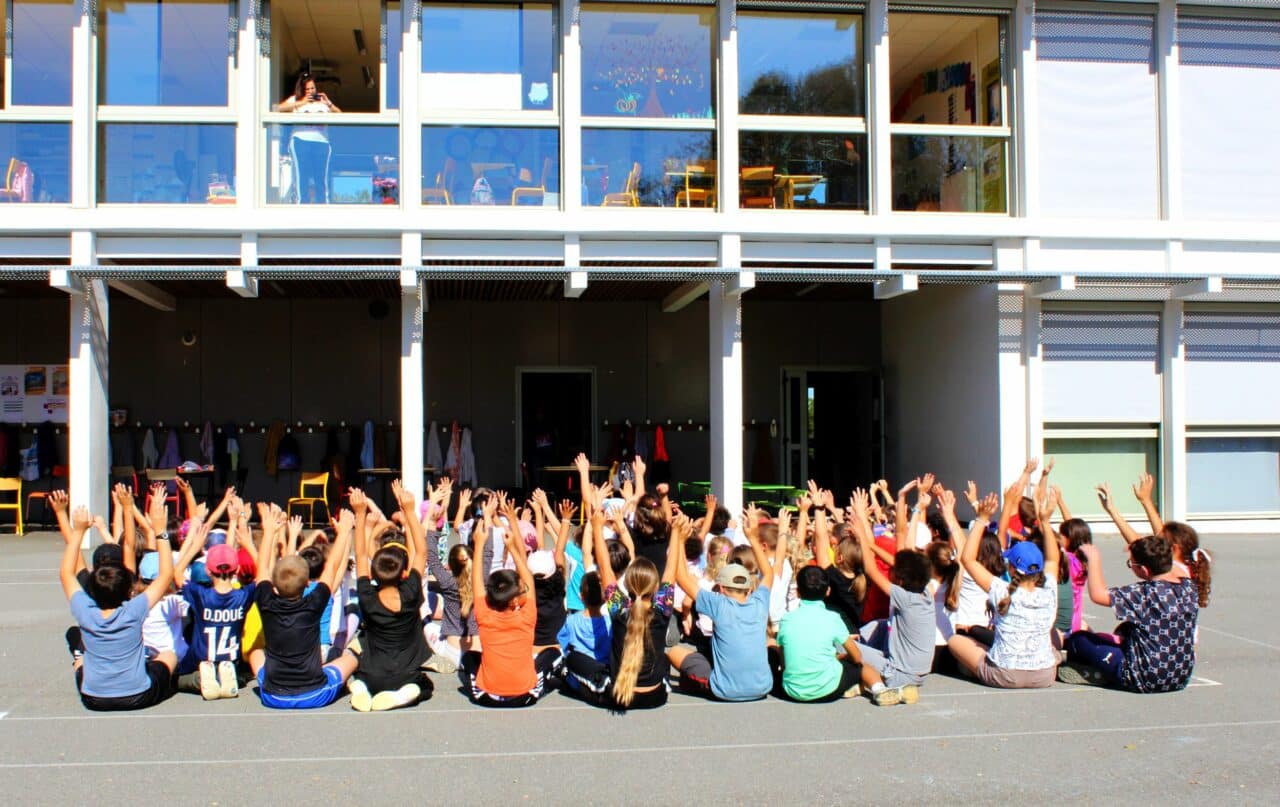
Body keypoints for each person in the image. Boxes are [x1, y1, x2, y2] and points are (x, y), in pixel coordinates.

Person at [60, 496, 188, 711]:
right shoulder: (134, 608)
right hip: (138, 694)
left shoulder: (84, 609)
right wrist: (160, 530)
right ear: (129, 590)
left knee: (80, 660)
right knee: (168, 655)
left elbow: (66, 573)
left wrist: (79, 532)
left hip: (93, 698)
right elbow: (166, 575)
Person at [946, 476, 1060, 690]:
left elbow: (968, 559)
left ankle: (970, 669)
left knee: (955, 641)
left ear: (1013, 568)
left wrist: (981, 519)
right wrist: (1045, 521)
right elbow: (1054, 559)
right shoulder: (1049, 589)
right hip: (1045, 674)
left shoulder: (1001, 589)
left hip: (1005, 674)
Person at [247, 504, 358, 709]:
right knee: (351, 659)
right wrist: (344, 532)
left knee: (255, 653)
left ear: (274, 586)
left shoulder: (265, 601)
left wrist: (269, 531)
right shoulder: (314, 603)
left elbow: (261, 568)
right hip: (314, 693)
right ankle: (349, 683)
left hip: (273, 695)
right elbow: (331, 567)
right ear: (308, 583)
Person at [1060, 535, 1198, 693]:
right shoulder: (1189, 587)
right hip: (1181, 677)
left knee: (1079, 640)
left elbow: (1098, 595)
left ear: (1144, 570)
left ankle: (1098, 672)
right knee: (1126, 628)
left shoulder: (1143, 593)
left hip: (1142, 677)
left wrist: (1094, 559)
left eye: (1131, 564)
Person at [667, 506, 774, 703]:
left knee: (673, 651)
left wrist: (679, 540)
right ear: (750, 588)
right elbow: (768, 573)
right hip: (762, 687)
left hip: (725, 690)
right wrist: (752, 537)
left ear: (722, 589)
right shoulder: (759, 602)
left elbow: (679, 578)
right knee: (771, 644)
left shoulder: (718, 604)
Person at [460, 495, 555, 707]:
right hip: (525, 695)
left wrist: (479, 545)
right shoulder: (527, 615)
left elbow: (476, 582)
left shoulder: (484, 613)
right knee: (553, 655)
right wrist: (512, 546)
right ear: (514, 601)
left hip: (487, 696)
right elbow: (528, 580)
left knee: (468, 657)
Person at [347, 484, 433, 712]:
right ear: (404, 573)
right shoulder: (412, 591)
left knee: (357, 677)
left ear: (373, 573)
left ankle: (360, 688)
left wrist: (359, 515)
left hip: (371, 673)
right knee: (425, 686)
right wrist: (410, 511)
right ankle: (406, 694)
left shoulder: (367, 595)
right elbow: (421, 552)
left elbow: (362, 554)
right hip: (406, 673)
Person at [848, 486, 936, 706]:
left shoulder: (903, 598)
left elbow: (871, 570)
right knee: (880, 624)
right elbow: (900, 545)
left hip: (898, 672)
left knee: (841, 644)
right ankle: (892, 683)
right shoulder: (926, 592)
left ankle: (877, 685)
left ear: (901, 581)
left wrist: (861, 537)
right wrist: (870, 543)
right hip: (919, 672)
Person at [775, 565, 864, 702]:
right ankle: (871, 687)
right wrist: (842, 657)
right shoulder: (833, 618)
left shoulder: (787, 619)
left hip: (792, 690)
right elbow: (857, 657)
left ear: (798, 592)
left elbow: (784, 659)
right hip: (828, 690)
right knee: (858, 667)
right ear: (828, 591)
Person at [276, 73, 339, 204]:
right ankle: (301, 206)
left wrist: (329, 103)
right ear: (303, 90)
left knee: (321, 180)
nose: (311, 91)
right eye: (308, 89)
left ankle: (323, 207)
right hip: (300, 141)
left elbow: (341, 115)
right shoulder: (296, 100)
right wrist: (302, 102)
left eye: (313, 88)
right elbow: (277, 108)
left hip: (321, 142)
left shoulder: (323, 103)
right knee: (301, 178)